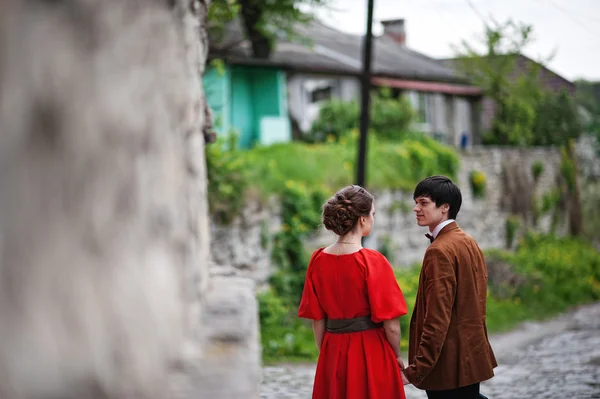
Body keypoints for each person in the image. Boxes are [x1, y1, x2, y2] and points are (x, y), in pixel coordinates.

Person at [298, 185, 408, 399]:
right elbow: (392, 326)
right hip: (371, 351)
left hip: (332, 348)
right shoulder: (373, 261)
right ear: (363, 220)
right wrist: (396, 355)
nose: (373, 219)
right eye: (372, 214)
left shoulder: (317, 260)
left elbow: (317, 319)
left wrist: (328, 354)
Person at [403, 176, 497, 399]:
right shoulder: (467, 240)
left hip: (448, 364)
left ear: (445, 207)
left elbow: (437, 317)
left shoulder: (440, 250)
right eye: (416, 202)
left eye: (423, 203)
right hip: (469, 356)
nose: (416, 208)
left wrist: (417, 368)